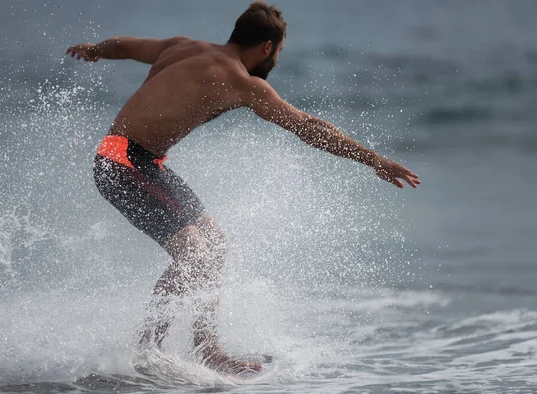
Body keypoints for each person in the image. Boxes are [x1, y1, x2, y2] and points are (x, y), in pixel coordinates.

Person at [66, 1, 420, 374]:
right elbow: (309, 127)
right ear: (267, 46)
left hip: (141, 162)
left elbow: (125, 45)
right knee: (194, 256)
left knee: (213, 246)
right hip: (121, 162)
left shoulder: (182, 46)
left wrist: (95, 50)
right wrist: (374, 159)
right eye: (280, 51)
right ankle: (147, 352)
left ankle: (206, 349)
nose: (278, 59)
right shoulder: (241, 82)